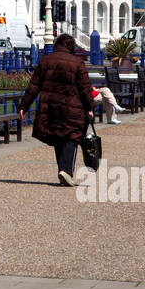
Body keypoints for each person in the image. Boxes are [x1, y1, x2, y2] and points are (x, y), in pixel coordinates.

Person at [18, 33, 94, 187]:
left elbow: (33, 86)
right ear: (71, 47)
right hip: (72, 107)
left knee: (58, 135)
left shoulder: (46, 61)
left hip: (50, 107)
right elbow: (85, 89)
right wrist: (89, 107)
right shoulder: (77, 63)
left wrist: (24, 106)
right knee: (72, 136)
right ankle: (66, 171)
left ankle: (63, 170)